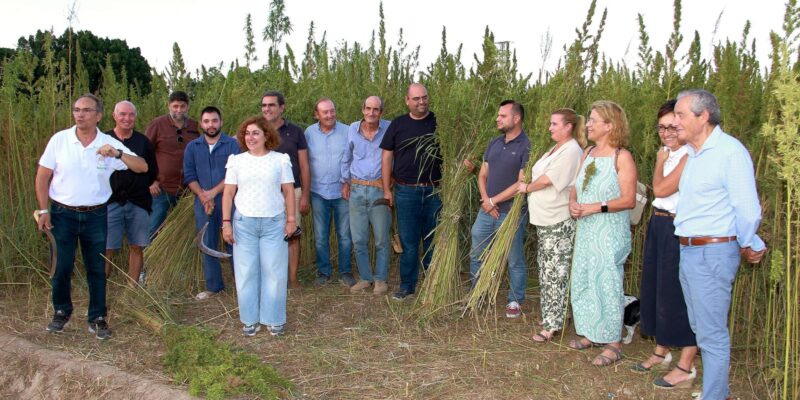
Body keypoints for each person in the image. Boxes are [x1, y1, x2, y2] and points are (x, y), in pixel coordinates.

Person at [673, 89, 766, 400]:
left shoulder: (729, 152)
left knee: (711, 333)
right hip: (689, 249)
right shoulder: (694, 155)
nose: (675, 121)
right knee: (701, 325)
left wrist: (748, 241)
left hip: (712, 251)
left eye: (681, 114)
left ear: (704, 117)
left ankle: (715, 396)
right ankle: (718, 390)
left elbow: (747, 207)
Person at [34, 93, 148, 340]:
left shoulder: (107, 143)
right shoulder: (60, 140)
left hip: (96, 215)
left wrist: (117, 154)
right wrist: (44, 211)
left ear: (98, 115)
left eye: (86, 110)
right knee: (61, 266)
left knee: (96, 268)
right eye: (76, 110)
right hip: (62, 214)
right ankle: (61, 311)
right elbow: (43, 176)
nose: (80, 115)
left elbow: (142, 166)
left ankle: (97, 317)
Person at [630, 99, 699, 389]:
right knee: (657, 288)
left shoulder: (690, 154)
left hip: (678, 226)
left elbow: (661, 188)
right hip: (658, 222)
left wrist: (659, 162)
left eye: (673, 126)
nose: (667, 132)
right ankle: (662, 350)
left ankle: (687, 364)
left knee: (679, 293)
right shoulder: (670, 153)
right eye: (662, 127)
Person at [567, 100, 637, 366]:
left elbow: (629, 199)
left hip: (608, 231)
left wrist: (595, 207)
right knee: (584, 278)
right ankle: (590, 333)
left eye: (595, 120)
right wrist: (573, 202)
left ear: (610, 125)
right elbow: (575, 186)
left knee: (607, 281)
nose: (589, 124)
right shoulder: (587, 153)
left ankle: (613, 342)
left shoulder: (622, 157)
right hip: (585, 228)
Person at [222, 116, 295, 337]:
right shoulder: (237, 160)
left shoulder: (280, 160)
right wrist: (226, 223)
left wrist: (291, 219)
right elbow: (228, 193)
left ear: (266, 135)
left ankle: (273, 320)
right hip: (244, 223)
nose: (250, 137)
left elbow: (289, 191)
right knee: (245, 273)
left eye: (255, 133)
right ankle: (250, 319)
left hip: (274, 223)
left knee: (274, 272)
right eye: (247, 133)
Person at [517, 108, 584, 339]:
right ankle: (554, 313)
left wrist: (527, 188)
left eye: (555, 124)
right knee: (546, 268)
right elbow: (539, 172)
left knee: (556, 271)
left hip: (558, 219)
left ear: (568, 126)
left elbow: (547, 180)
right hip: (545, 218)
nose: (550, 128)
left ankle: (553, 324)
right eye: (550, 123)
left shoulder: (572, 151)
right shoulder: (556, 149)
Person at [380, 83, 443, 300]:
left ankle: (432, 284)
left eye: (424, 97)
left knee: (432, 240)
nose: (421, 102)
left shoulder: (439, 122)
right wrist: (387, 189)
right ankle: (407, 286)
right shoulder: (398, 124)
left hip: (434, 191)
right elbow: (387, 157)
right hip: (406, 192)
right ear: (407, 100)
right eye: (416, 99)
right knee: (408, 242)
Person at [468, 100, 530, 318]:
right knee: (477, 251)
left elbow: (521, 183)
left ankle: (515, 300)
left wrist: (494, 202)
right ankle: (478, 292)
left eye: (502, 115)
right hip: (486, 211)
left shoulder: (527, 145)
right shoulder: (495, 143)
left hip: (511, 212)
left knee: (514, 258)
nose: (498, 119)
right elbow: (482, 174)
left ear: (516, 118)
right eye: (498, 115)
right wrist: (487, 201)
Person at [183, 106, 240, 300]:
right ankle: (214, 286)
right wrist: (202, 195)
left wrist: (213, 193)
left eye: (214, 121)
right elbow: (189, 175)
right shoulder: (192, 147)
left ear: (221, 122)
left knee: (233, 240)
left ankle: (241, 284)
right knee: (206, 242)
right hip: (202, 202)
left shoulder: (232, 145)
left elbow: (235, 174)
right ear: (201, 124)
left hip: (229, 200)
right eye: (206, 121)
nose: (211, 125)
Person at [104, 100, 159, 284]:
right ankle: (101, 285)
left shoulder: (143, 142)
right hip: (110, 202)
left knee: (136, 246)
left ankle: (132, 288)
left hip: (138, 201)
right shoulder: (103, 140)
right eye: (122, 114)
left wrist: (152, 182)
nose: (127, 118)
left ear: (135, 117)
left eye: (131, 115)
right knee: (107, 247)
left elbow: (151, 170)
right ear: (114, 116)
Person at [343, 96, 392, 295]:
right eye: (368, 109)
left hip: (379, 189)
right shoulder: (352, 129)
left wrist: (391, 186)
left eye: (376, 110)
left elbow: (395, 156)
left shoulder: (389, 128)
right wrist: (344, 182)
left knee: (381, 239)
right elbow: (345, 158)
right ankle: (365, 278)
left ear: (381, 112)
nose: (372, 113)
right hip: (356, 189)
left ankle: (380, 280)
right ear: (363, 109)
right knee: (358, 239)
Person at [261, 91, 310, 289]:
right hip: (265, 194)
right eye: (264, 105)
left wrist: (305, 194)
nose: (267, 109)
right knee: (267, 237)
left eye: (271, 105)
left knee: (293, 235)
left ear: (282, 107)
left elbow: (304, 165)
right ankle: (271, 280)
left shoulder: (296, 132)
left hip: (293, 191)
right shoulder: (256, 131)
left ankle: (292, 279)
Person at [305, 98, 354, 286]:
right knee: (320, 236)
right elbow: (305, 161)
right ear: (316, 114)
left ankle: (345, 272)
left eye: (332, 111)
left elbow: (352, 158)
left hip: (342, 191)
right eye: (325, 112)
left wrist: (347, 182)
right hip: (318, 192)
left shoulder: (347, 131)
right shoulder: (309, 133)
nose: (330, 115)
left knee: (344, 235)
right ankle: (323, 272)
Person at [146, 91, 199, 238]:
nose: (179, 110)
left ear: (187, 106)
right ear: (169, 105)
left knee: (182, 233)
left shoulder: (195, 127)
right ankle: (150, 260)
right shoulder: (157, 124)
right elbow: (144, 153)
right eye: (175, 106)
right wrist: (151, 181)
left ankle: (174, 261)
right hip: (161, 189)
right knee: (153, 229)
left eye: (182, 106)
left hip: (187, 190)